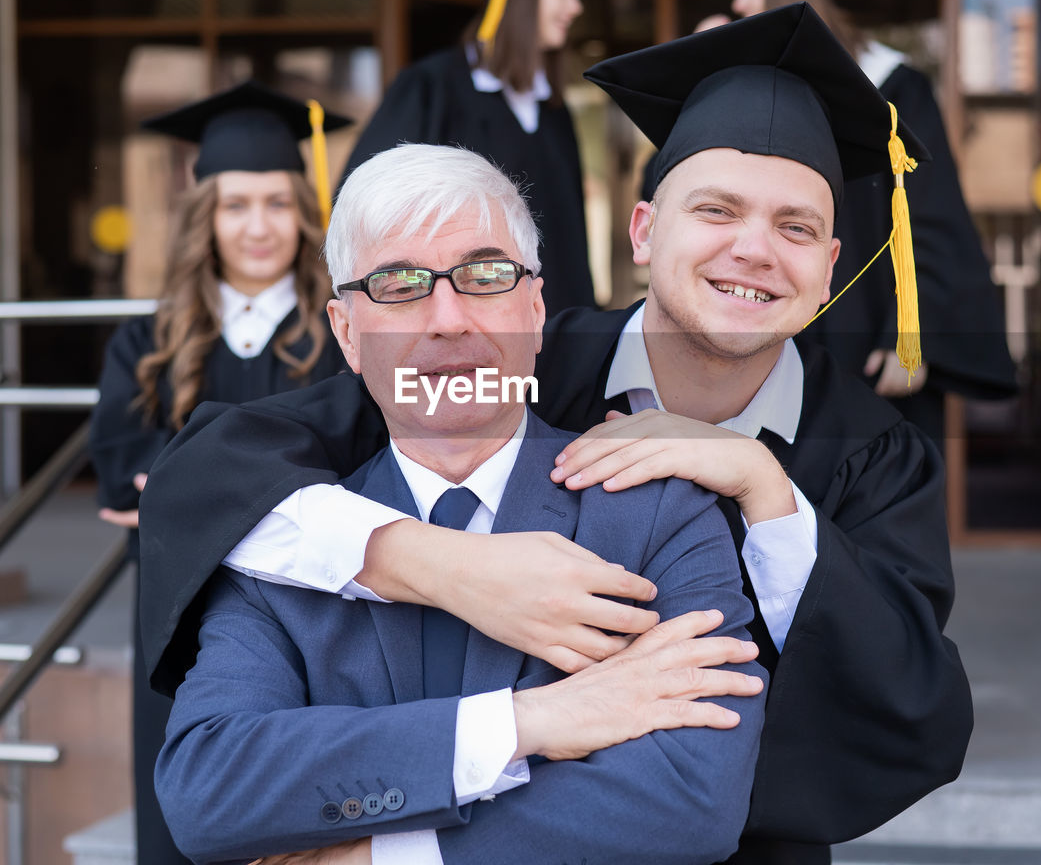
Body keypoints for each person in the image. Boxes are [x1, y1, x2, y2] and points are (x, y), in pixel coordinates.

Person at [140, 5, 973, 865]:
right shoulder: (512, 360)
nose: (755, 250)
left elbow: (907, 709)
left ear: (832, 265)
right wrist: (435, 562)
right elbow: (219, 474)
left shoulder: (876, 454)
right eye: (717, 209)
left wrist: (768, 494)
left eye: (795, 226)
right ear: (644, 230)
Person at [154, 143, 766, 865]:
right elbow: (211, 792)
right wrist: (526, 723)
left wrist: (376, 857)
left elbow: (691, 803)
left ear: (534, 310)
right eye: (400, 284)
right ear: (347, 333)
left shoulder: (659, 517)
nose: (448, 318)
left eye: (484, 276)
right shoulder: (280, 547)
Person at [88, 80, 349, 865]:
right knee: (184, 812)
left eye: (276, 202)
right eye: (236, 205)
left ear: (303, 211)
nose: (259, 226)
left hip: (316, 611)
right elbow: (118, 479)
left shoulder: (341, 334)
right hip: (181, 617)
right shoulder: (149, 344)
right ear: (206, 214)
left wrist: (186, 495)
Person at [720, 0, 1018, 447]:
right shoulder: (755, 91)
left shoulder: (894, 90)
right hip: (776, 341)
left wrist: (912, 336)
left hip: (868, 350)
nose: (737, 3)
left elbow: (931, 220)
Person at [341, 0, 595, 316]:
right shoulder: (431, 88)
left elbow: (573, 239)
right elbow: (370, 207)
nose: (576, 6)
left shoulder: (553, 110)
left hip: (556, 326)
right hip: (459, 321)